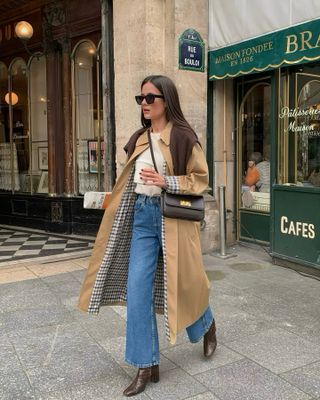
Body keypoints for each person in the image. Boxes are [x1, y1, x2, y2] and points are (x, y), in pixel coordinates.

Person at [78, 75, 217, 397]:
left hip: (173, 218)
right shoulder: (139, 137)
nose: (144, 104)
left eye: (149, 98)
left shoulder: (183, 137)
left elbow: (200, 180)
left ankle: (208, 325)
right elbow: (129, 179)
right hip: (142, 217)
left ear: (166, 100)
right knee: (137, 290)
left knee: (185, 284)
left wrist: (167, 180)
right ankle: (145, 364)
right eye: (140, 98)